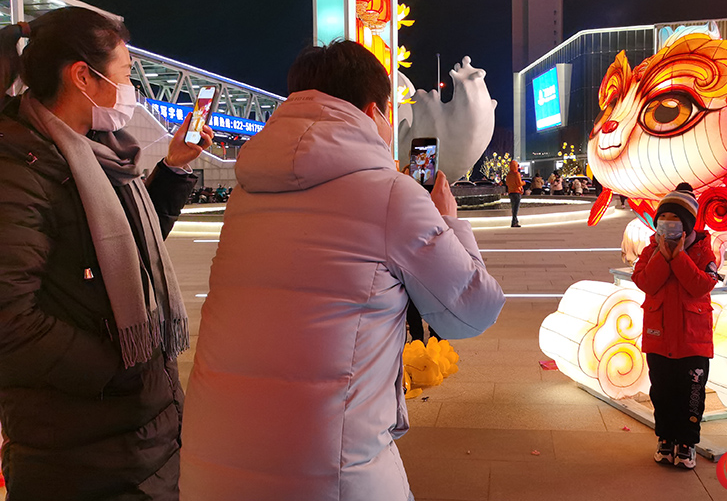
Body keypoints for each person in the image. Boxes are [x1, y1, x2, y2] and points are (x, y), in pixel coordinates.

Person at [180, 41, 505, 501]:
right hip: (333, 475)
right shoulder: (393, 194)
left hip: (210, 466)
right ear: (373, 111)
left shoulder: (246, 195)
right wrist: (448, 220)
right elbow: (473, 311)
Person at [0, 8, 210, 499]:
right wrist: (118, 367)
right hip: (79, 452)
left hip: (135, 434)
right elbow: (7, 322)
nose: (129, 87)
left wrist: (175, 171)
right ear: (83, 77)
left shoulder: (103, 151)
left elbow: (131, 247)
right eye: (123, 73)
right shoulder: (21, 171)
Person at [632, 183, 717, 470]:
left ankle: (687, 444)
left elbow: (700, 286)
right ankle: (665, 439)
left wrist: (678, 256)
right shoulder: (649, 251)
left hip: (693, 342)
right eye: (663, 222)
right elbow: (645, 282)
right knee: (662, 393)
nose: (668, 228)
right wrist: (661, 255)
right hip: (659, 339)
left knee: (692, 396)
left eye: (675, 222)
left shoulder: (704, 251)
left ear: (688, 224)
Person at [505, 159, 524, 227]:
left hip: (511, 192)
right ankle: (514, 221)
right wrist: (523, 183)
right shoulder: (517, 174)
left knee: (513, 207)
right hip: (517, 192)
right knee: (516, 208)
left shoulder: (508, 174)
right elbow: (519, 183)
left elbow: (507, 183)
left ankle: (514, 221)